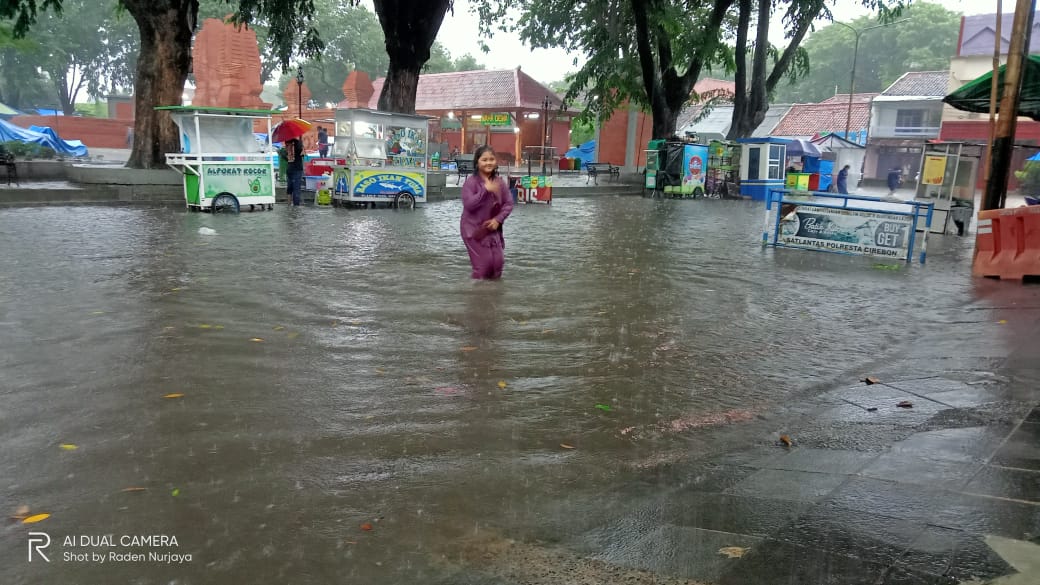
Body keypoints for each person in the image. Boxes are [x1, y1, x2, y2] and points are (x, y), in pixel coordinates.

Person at [460, 145, 514, 280]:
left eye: (491, 159)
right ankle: (477, 296)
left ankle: (494, 297)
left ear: (496, 162)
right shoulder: (470, 183)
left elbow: (508, 203)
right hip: (473, 229)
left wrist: (498, 219)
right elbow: (469, 205)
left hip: (492, 228)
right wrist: (485, 190)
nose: (488, 162)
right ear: (477, 163)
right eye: (484, 160)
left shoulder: (500, 182)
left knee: (497, 264)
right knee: (484, 266)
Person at [285, 137, 304, 206]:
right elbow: (302, 154)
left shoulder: (287, 143)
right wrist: (301, 141)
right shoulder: (298, 143)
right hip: (297, 168)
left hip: (289, 168)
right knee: (296, 189)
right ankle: (296, 207)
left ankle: (289, 205)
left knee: (289, 188)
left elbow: (285, 156)